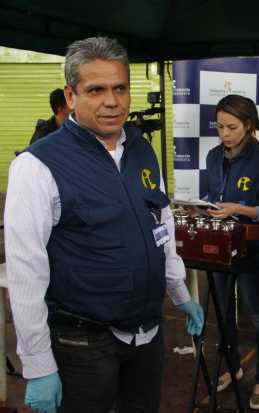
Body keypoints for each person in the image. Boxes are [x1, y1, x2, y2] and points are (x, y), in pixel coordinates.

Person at [5, 37, 203, 413]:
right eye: (96, 90)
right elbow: (26, 272)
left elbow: (161, 226)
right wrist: (38, 364)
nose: (112, 101)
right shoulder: (37, 166)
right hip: (83, 345)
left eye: (120, 88)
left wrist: (180, 293)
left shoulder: (142, 149)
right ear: (71, 95)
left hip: (147, 335)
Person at [202, 94, 259, 410]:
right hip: (219, 248)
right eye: (219, 127)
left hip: (251, 250)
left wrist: (239, 209)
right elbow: (212, 195)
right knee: (222, 315)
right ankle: (233, 367)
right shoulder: (212, 156)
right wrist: (203, 207)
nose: (224, 134)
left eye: (231, 127)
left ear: (248, 125)